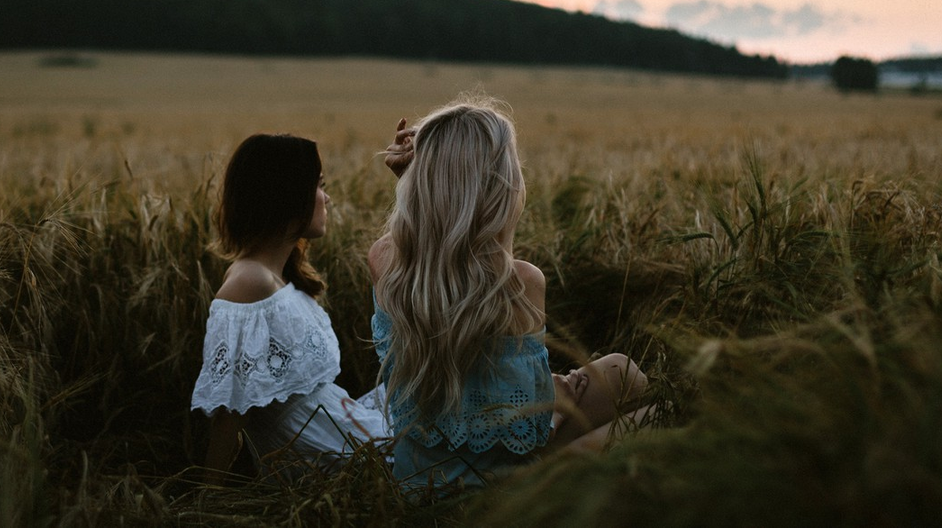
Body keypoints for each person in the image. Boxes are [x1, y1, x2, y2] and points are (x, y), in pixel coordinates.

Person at [368, 99, 650, 493]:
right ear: (499, 185)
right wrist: (555, 402)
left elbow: (423, 239)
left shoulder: (385, 261)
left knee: (622, 371)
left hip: (419, 481)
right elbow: (529, 434)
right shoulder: (518, 282)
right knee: (653, 416)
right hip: (495, 492)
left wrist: (413, 179)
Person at [191, 134, 389, 481]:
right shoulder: (250, 282)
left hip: (347, 435)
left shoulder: (274, 277)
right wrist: (208, 500)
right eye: (320, 185)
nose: (327, 197)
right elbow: (229, 412)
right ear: (287, 194)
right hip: (337, 459)